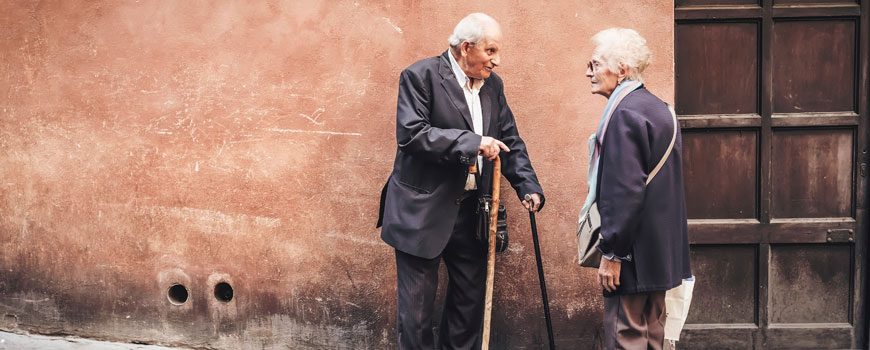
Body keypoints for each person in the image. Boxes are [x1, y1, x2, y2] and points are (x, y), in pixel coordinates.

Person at [376, 12, 545, 350]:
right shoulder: (419, 76)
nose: (497, 61)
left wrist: (527, 185)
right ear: (467, 48)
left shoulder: (493, 86)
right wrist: (471, 142)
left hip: (473, 213)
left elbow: (508, 137)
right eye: (491, 51)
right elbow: (412, 135)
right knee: (417, 315)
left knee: (469, 307)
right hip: (421, 211)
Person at [580, 28, 692, 349]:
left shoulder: (624, 113)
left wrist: (613, 253)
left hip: (632, 254)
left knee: (626, 335)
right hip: (660, 252)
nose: (589, 71)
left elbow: (624, 191)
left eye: (596, 64)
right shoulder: (660, 108)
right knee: (653, 335)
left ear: (622, 70)